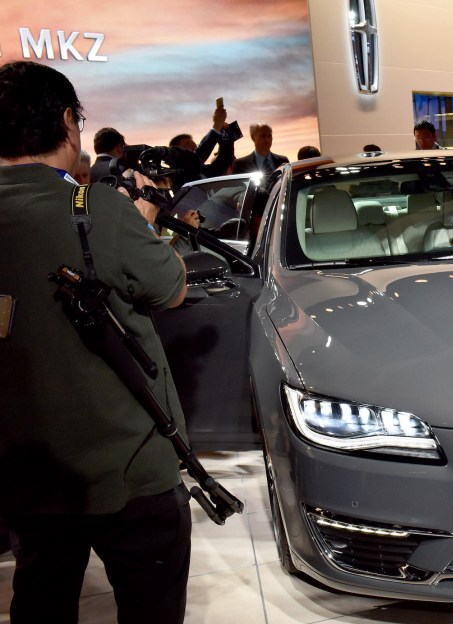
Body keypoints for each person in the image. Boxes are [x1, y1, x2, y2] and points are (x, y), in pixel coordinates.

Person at [0, 61, 191, 623]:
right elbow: (171, 288)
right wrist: (145, 217)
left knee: (41, 596)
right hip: (128, 469)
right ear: (67, 121)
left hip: (28, 472)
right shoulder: (94, 208)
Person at [168, 104, 236, 178]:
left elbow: (223, 163)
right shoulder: (177, 173)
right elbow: (198, 156)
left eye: (195, 148)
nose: (193, 150)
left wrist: (224, 133)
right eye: (186, 148)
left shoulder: (202, 171)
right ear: (175, 153)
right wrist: (217, 125)